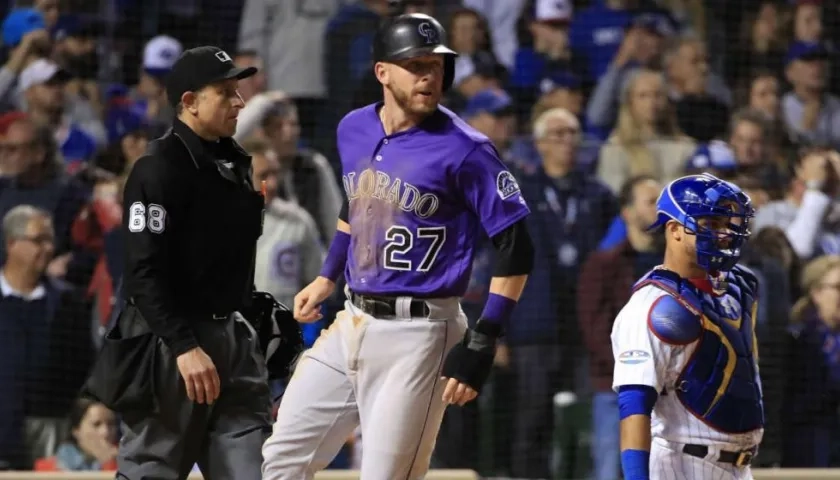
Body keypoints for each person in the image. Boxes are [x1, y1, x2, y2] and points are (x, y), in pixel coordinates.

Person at [261, 13, 534, 479]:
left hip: (421, 334)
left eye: (437, 65)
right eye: (416, 65)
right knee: (278, 461)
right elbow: (359, 204)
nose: (430, 75)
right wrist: (327, 275)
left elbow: (517, 246)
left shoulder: (467, 148)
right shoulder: (353, 128)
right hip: (352, 320)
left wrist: (484, 340)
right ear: (382, 72)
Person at [87, 45, 299, 480]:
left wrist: (251, 313)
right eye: (225, 92)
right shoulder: (158, 168)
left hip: (232, 339)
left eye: (238, 90)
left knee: (251, 471)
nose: (239, 101)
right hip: (171, 343)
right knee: (153, 469)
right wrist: (183, 346)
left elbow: (223, 257)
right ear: (189, 101)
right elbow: (143, 273)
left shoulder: (234, 163)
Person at [610, 173, 764, 480]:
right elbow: (634, 406)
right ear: (675, 230)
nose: (722, 234)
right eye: (710, 225)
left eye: (725, 224)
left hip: (740, 468)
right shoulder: (651, 306)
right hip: (683, 465)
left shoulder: (737, 289)